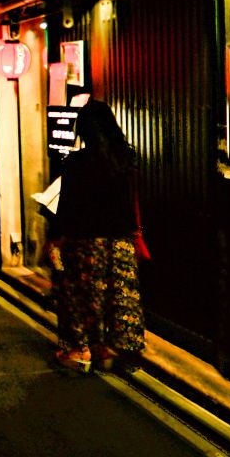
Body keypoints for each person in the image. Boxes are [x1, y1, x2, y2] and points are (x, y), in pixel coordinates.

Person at [48, 99, 146, 373]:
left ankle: (81, 350)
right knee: (119, 297)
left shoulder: (76, 163)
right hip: (120, 242)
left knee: (80, 295)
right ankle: (112, 351)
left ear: (83, 130)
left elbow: (66, 207)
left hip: (86, 242)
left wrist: (55, 238)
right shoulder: (125, 160)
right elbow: (130, 204)